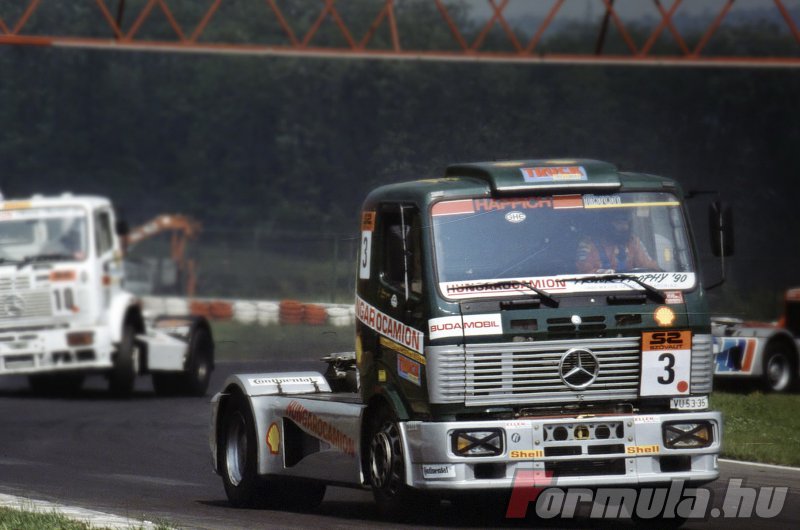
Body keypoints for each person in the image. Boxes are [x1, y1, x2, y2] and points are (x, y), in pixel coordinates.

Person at [576, 209, 660, 274]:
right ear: (607, 225)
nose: (624, 227)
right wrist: (604, 273)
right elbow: (583, 271)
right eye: (619, 223)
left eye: (626, 223)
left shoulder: (633, 242)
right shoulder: (588, 244)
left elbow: (648, 266)